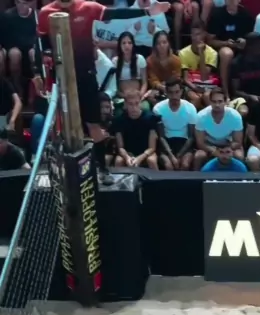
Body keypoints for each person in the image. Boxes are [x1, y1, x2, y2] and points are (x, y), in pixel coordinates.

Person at [36, 0, 166, 183]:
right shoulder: (46, 12)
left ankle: (102, 169)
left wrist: (147, 12)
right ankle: (61, 173)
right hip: (62, 80)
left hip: (86, 77)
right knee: (61, 129)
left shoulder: (87, 8)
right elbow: (40, 45)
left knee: (94, 126)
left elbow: (117, 14)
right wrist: (38, 72)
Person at [206, 0, 254, 96]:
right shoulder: (217, 14)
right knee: (227, 53)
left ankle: (248, 91)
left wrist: (245, 40)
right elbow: (210, 41)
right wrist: (226, 43)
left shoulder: (246, 14)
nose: (232, 1)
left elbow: (251, 37)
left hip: (241, 47)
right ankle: (225, 92)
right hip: (222, 46)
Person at [194, 87, 244, 168]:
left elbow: (238, 142)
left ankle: (239, 176)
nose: (217, 105)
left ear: (225, 102)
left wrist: (226, 150)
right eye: (214, 102)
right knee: (199, 156)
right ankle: (196, 176)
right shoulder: (201, 116)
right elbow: (200, 143)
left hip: (229, 144)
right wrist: (214, 150)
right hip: (209, 145)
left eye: (220, 101)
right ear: (210, 102)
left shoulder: (235, 116)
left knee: (239, 155)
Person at [154, 75, 197, 169]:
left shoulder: (190, 108)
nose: (174, 96)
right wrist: (171, 156)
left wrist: (179, 155)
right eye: (170, 92)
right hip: (166, 143)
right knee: (168, 165)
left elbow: (191, 137)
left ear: (181, 91)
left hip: (184, 143)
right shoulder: (158, 108)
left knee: (185, 164)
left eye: (177, 92)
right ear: (166, 92)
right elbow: (161, 136)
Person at [113, 88, 158, 168]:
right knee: (119, 161)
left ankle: (157, 177)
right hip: (128, 153)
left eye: (137, 103)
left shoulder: (150, 118)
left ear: (141, 103)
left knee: (152, 160)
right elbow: (120, 147)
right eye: (130, 104)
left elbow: (152, 147)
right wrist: (127, 157)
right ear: (125, 104)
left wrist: (139, 158)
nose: (134, 107)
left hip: (146, 152)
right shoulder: (119, 120)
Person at [146, 30, 182, 100]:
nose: (162, 45)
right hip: (157, 89)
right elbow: (153, 80)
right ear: (155, 45)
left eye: (164, 42)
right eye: (158, 43)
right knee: (152, 96)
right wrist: (161, 87)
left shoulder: (176, 60)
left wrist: (167, 86)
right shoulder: (150, 61)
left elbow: (177, 78)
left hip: (173, 88)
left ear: (169, 44)